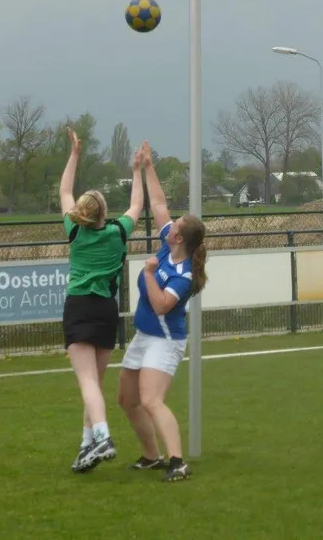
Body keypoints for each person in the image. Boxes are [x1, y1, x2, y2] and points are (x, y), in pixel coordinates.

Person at [117, 142, 208, 482]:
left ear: (180, 239)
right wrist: (147, 166)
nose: (170, 225)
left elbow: (161, 305)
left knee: (152, 400)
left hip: (165, 341)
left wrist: (149, 273)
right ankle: (151, 456)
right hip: (145, 336)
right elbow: (157, 203)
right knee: (127, 400)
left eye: (176, 225)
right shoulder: (169, 248)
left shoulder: (182, 275)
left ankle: (178, 462)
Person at [60, 128, 143, 474]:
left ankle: (103, 437)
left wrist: (75, 154)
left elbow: (64, 191)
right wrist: (136, 170)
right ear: (104, 213)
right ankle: (86, 446)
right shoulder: (118, 232)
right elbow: (137, 205)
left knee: (87, 382)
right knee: (94, 382)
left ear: (82, 213)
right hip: (107, 310)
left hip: (80, 306)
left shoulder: (74, 232)